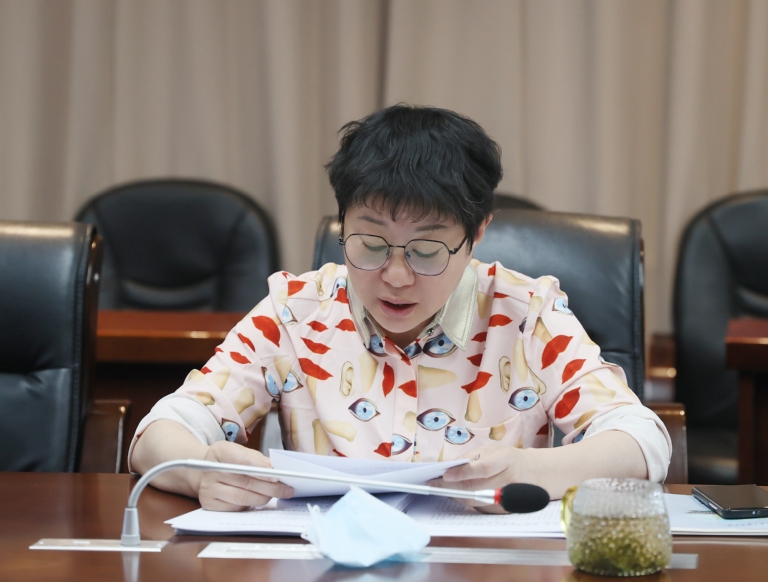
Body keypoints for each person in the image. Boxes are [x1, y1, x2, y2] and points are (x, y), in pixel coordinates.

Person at [130, 104, 671, 513]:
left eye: (427, 251)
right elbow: (160, 431)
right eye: (370, 244)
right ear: (343, 224)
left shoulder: (526, 313)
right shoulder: (296, 310)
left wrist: (529, 469)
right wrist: (201, 474)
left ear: (477, 233)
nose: (395, 275)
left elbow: (641, 441)